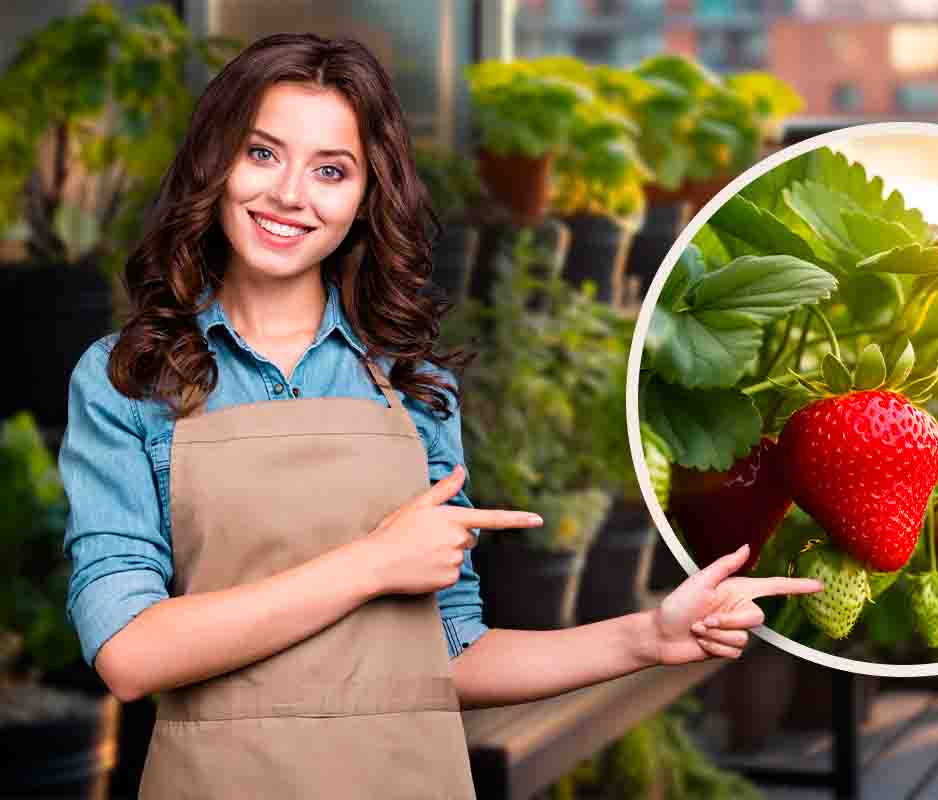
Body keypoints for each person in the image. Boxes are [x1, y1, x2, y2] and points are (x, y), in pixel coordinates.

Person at [58, 33, 824, 800]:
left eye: (331, 170)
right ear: (213, 163)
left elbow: (452, 655)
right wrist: (371, 566)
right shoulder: (129, 378)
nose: (291, 194)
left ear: (365, 199)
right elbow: (130, 651)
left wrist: (647, 636)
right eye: (262, 154)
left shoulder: (413, 386)